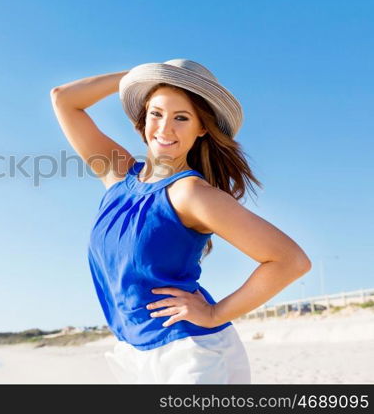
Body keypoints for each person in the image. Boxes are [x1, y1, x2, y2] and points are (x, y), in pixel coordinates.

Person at [49, 58, 312, 384]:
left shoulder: (190, 193)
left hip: (187, 355)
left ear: (201, 127)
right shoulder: (118, 175)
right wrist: (140, 75)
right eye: (156, 113)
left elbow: (291, 261)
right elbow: (64, 99)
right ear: (143, 118)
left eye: (181, 118)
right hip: (132, 353)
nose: (165, 128)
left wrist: (216, 313)